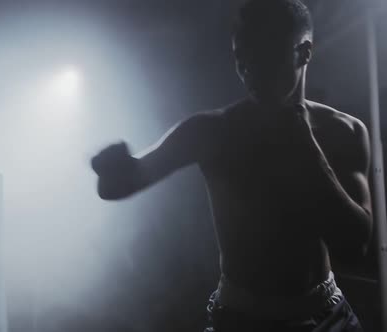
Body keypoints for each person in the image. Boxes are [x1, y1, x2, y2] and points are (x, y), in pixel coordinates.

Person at [90, 1, 372, 331]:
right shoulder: (212, 131)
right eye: (242, 58)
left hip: (327, 316)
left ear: (304, 52)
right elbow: (117, 186)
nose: (251, 70)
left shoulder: (344, 131)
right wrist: (110, 168)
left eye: (265, 56)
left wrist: (306, 147)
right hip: (240, 319)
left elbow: (357, 246)